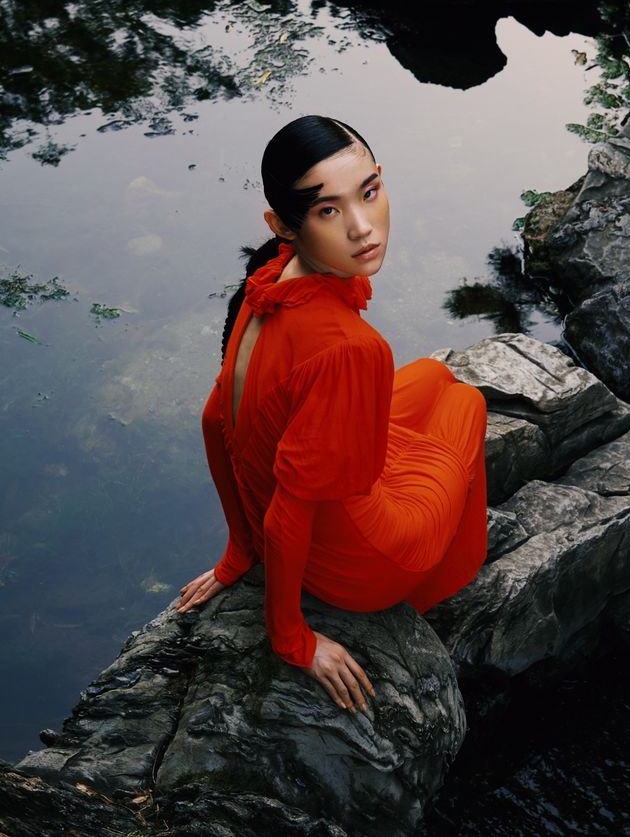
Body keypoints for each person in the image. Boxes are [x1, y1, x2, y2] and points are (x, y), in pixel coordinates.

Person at [178, 115, 488, 715]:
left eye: (368, 192)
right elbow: (291, 511)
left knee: (432, 375)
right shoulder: (350, 350)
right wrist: (293, 638)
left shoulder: (264, 285)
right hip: (365, 562)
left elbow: (215, 422)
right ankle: (436, 583)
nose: (362, 228)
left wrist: (238, 555)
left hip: (313, 521)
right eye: (327, 211)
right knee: (466, 402)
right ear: (282, 225)